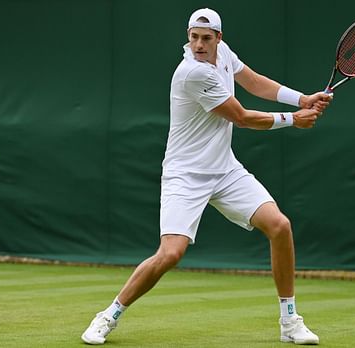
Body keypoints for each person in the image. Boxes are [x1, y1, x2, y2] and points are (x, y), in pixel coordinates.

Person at [82, 8, 332, 346]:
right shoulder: (192, 73)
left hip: (224, 170)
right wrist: (294, 119)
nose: (199, 44)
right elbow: (241, 117)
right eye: (193, 37)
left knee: (280, 226)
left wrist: (300, 98)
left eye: (206, 38)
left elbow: (254, 82)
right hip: (185, 175)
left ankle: (290, 321)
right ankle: (108, 316)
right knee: (170, 254)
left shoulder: (224, 55)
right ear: (188, 37)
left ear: (219, 38)